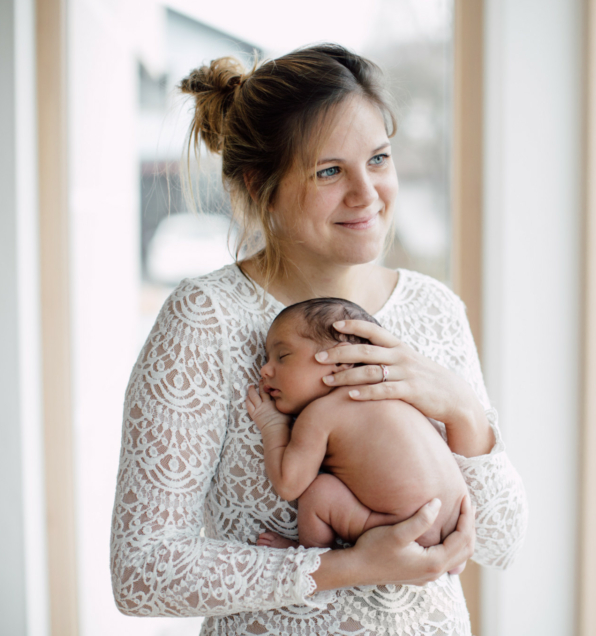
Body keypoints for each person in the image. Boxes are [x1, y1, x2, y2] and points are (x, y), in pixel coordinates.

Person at [110, 43, 527, 636]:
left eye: (378, 159)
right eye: (329, 171)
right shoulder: (205, 320)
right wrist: (345, 566)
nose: (366, 193)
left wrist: (460, 407)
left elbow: (503, 542)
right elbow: (141, 572)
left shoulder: (435, 309)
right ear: (260, 186)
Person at [245, 297, 469, 555]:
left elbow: (289, 484)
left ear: (341, 361)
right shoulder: (393, 393)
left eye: (282, 356)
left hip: (407, 530)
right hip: (455, 524)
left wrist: (273, 424)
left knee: (318, 493)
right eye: (267, 359)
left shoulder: (321, 413)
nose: (264, 370)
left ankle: (311, 554)